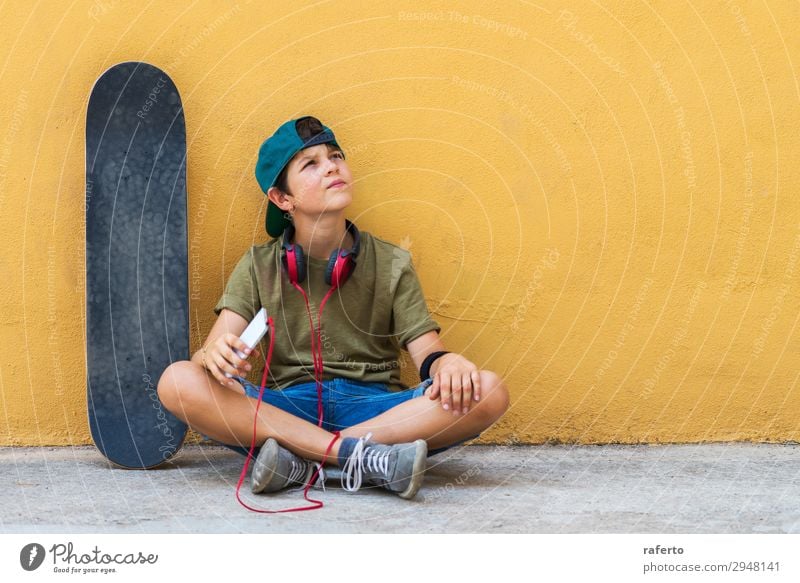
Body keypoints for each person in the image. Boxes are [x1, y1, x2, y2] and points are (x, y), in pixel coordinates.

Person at [157, 116, 510, 500]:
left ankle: (302, 461)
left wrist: (449, 365)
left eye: (336, 156)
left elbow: (428, 355)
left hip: (377, 411)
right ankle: (358, 458)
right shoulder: (259, 264)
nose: (331, 166)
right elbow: (205, 358)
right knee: (177, 379)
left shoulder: (391, 262)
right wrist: (213, 355)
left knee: (489, 390)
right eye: (311, 164)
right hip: (287, 409)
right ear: (282, 199)